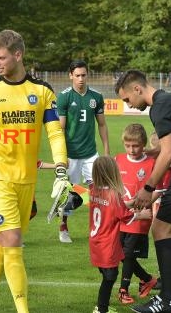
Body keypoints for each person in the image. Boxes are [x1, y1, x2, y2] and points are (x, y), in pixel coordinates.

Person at [0, 30, 68, 313]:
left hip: (26, 179)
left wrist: (62, 169)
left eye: (1, 57)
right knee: (14, 240)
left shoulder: (42, 91)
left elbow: (54, 133)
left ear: (18, 55)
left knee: (3, 242)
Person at [115, 69, 171, 312]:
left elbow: (170, 153)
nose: (130, 106)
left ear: (137, 89)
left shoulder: (159, 107)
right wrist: (153, 152)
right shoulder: (170, 100)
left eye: (127, 100)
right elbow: (168, 147)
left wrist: (147, 188)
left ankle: (167, 300)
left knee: (161, 228)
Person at [56, 59, 110, 243]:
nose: (80, 79)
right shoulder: (64, 97)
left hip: (91, 154)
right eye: (77, 75)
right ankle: (63, 225)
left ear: (88, 75)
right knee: (70, 194)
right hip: (71, 155)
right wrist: (62, 156)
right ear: (71, 75)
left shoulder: (96, 96)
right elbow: (60, 129)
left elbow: (102, 124)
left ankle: (98, 229)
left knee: (99, 192)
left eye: (83, 75)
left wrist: (107, 152)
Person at [88, 156, 150, 313]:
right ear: (112, 173)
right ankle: (101, 309)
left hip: (96, 241)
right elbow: (125, 217)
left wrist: (129, 203)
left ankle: (102, 307)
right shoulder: (113, 195)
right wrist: (142, 215)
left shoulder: (93, 189)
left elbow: (111, 208)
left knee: (107, 274)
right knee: (110, 276)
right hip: (107, 243)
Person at [115, 124, 158, 304]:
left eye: (136, 146)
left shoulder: (152, 163)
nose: (132, 150)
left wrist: (145, 203)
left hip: (139, 217)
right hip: (121, 215)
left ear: (143, 144)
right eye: (128, 146)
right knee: (121, 254)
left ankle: (123, 289)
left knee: (128, 253)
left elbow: (159, 189)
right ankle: (147, 279)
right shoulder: (117, 160)